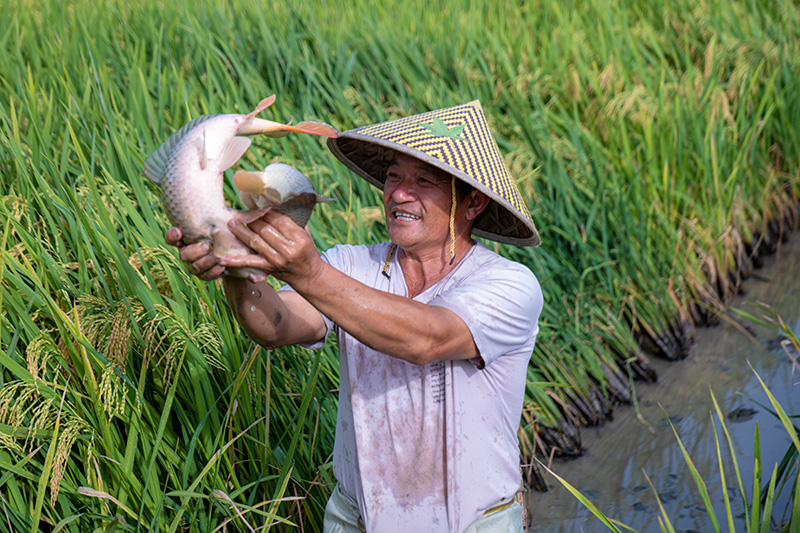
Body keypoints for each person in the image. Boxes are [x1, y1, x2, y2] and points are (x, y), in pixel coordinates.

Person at [166, 101, 543, 532]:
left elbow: (428, 339)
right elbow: (277, 325)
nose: (400, 193)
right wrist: (235, 265)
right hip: (357, 522)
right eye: (394, 177)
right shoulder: (351, 265)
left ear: (473, 202)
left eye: (424, 180)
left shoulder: (509, 285)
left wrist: (308, 271)